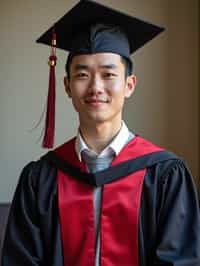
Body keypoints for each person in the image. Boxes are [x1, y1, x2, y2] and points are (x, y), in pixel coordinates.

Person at [1, 1, 200, 266]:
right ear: (67, 86)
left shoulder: (165, 174)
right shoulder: (40, 179)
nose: (96, 87)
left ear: (129, 85)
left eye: (108, 74)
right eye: (83, 75)